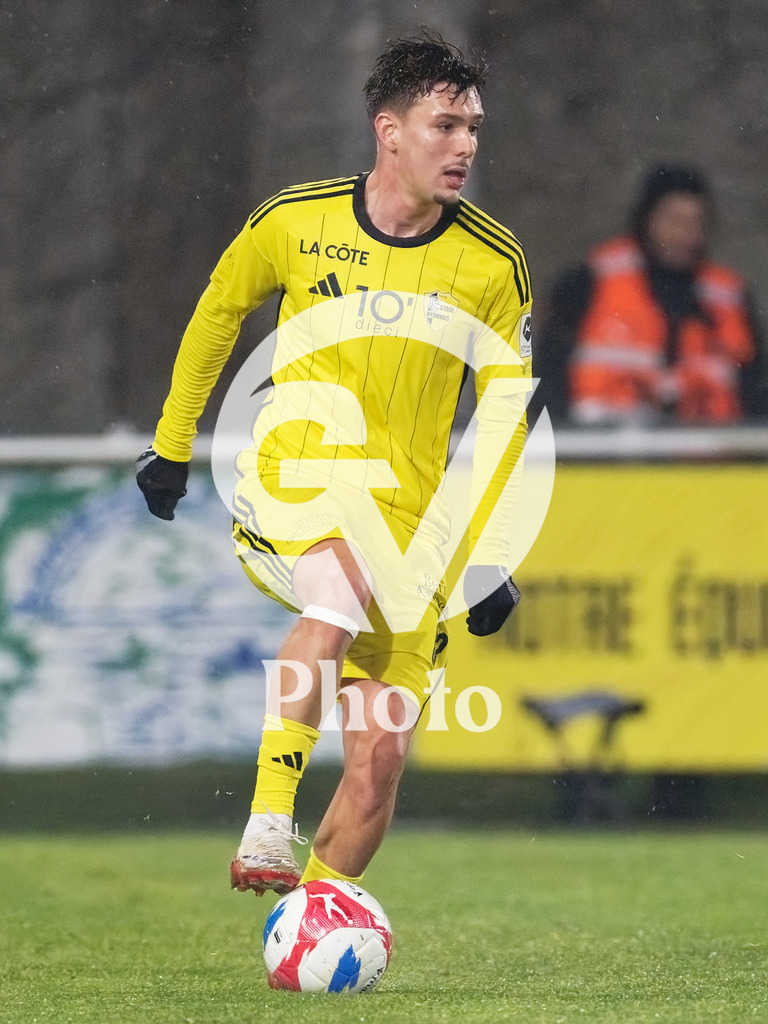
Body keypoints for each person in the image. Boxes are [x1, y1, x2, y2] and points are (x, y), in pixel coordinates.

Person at [136, 33, 530, 896]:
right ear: (388, 130)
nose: (465, 144)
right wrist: (173, 444)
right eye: (445, 124)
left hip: (413, 532)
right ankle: (268, 823)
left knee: (380, 761)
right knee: (338, 584)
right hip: (296, 484)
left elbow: (506, 413)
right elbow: (217, 315)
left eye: (474, 127)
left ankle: (308, 924)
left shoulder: (493, 264)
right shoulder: (294, 221)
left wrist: (493, 552)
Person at [534, 164, 767, 425]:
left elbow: (755, 396)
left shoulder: (730, 297)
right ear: (647, 219)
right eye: (675, 220)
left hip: (710, 461)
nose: (687, 235)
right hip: (603, 459)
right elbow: (548, 381)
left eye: (697, 222)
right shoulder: (588, 282)